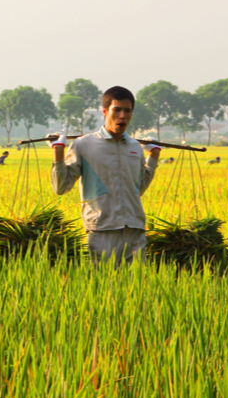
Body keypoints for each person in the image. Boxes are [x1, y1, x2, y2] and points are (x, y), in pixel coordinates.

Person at [50, 86, 162, 268]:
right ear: (104, 111)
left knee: (136, 288)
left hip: (134, 229)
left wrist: (154, 155)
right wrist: (58, 151)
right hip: (102, 228)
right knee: (102, 286)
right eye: (117, 110)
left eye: (127, 110)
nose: (122, 116)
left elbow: (138, 189)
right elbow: (61, 187)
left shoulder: (135, 147)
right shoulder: (83, 145)